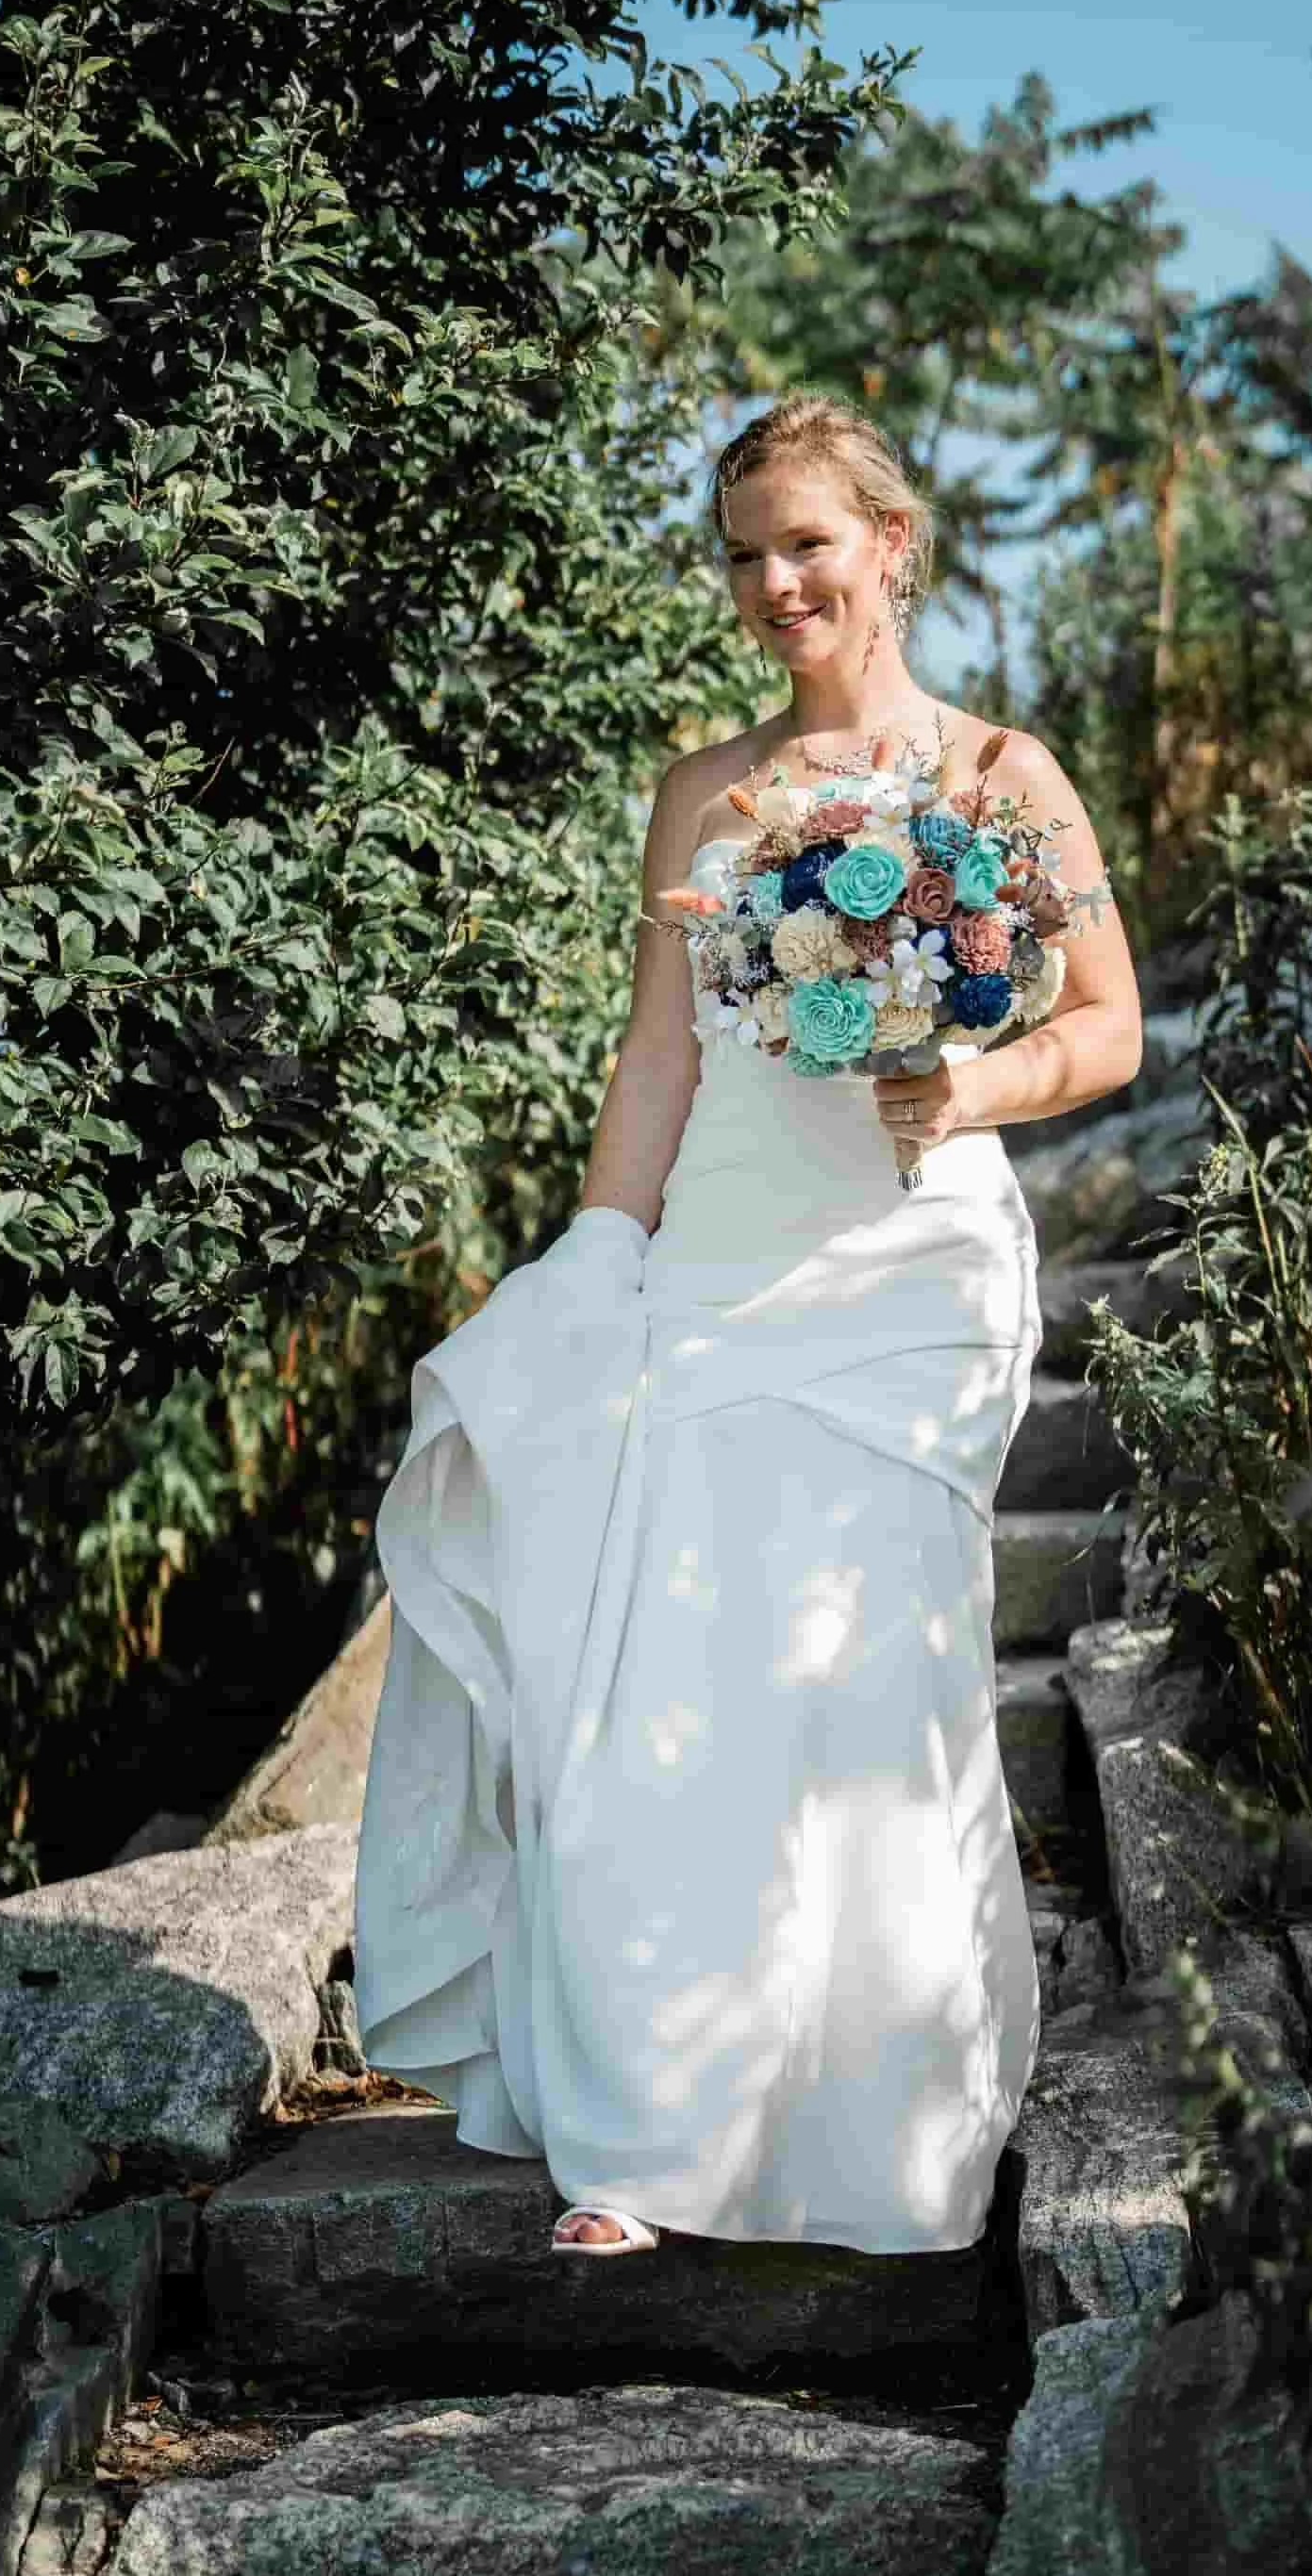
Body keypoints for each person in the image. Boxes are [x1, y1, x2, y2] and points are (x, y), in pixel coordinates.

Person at [351, 391, 1143, 2253]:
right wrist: (592, 1263)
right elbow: (657, 1051)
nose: (772, 580)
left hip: (913, 1257)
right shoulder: (698, 793)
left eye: (805, 541)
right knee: (677, 1670)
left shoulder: (1002, 776)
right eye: (742, 553)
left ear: (892, 542)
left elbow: (1106, 1024)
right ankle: (651, 2137)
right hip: (716, 1252)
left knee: (861, 1665)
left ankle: (879, 2123)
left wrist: (967, 1086)